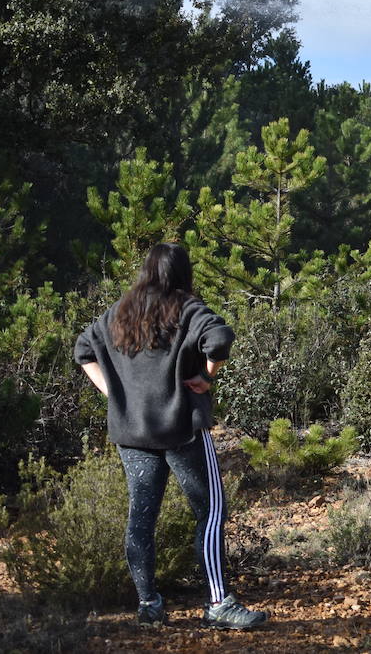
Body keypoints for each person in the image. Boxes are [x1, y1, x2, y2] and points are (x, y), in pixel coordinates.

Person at [75, 243, 268, 629]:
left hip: (133, 435)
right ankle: (217, 603)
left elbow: (83, 350)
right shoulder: (187, 308)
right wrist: (207, 376)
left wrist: (115, 394)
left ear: (146, 271)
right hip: (182, 432)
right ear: (183, 273)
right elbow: (221, 338)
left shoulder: (120, 311)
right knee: (211, 512)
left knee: (141, 520)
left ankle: (149, 605)